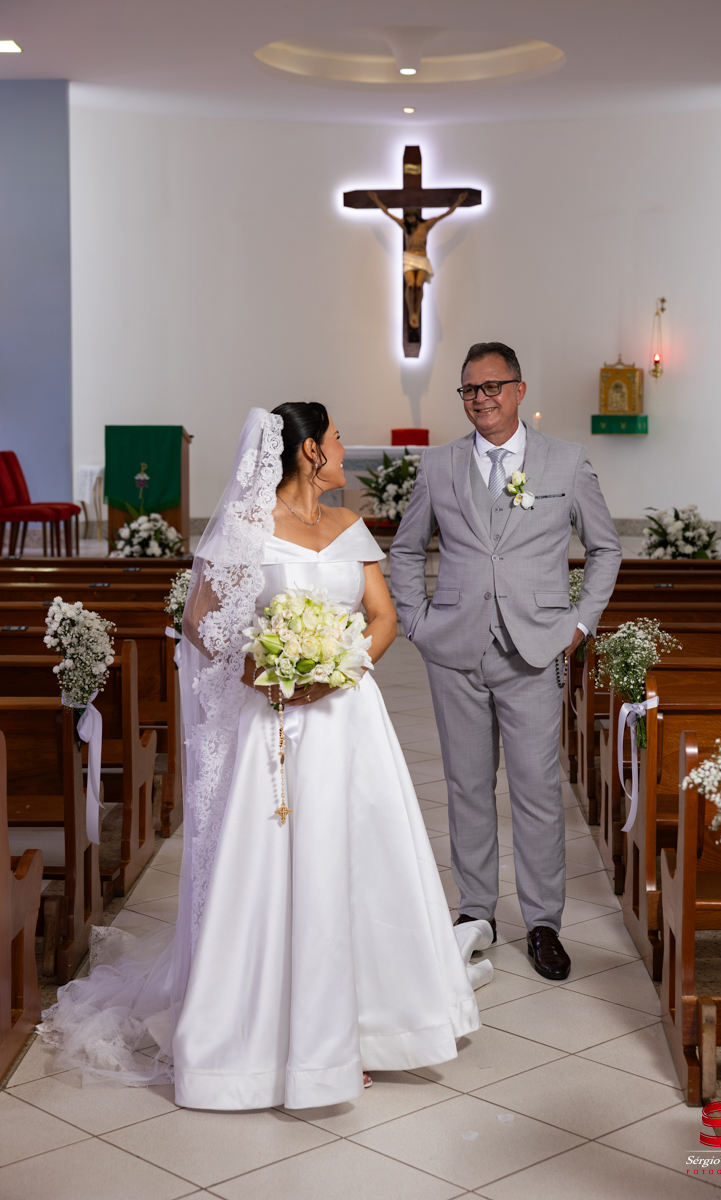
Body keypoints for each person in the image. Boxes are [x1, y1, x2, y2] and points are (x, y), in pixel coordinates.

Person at [38, 404, 493, 1111]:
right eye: (336, 438)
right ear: (309, 451)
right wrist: (260, 669)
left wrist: (340, 666)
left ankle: (374, 1027)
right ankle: (270, 1036)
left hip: (349, 718)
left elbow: (383, 619)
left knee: (362, 858)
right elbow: (200, 620)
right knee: (278, 864)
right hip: (275, 723)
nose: (343, 448)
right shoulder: (246, 529)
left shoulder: (349, 526)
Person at [390, 342, 622, 981]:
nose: (481, 398)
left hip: (535, 649)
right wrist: (417, 622)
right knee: (466, 785)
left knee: (536, 789)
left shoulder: (566, 462)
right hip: (455, 649)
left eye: (492, 386)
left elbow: (605, 548)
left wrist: (578, 623)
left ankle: (544, 922)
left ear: (519, 390)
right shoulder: (438, 465)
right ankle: (476, 913)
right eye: (470, 389)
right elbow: (404, 550)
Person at [367, 190, 468, 329]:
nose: (410, 220)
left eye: (411, 218)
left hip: (422, 258)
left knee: (419, 285)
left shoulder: (425, 225)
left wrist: (459, 201)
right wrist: (376, 200)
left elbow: (445, 214)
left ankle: (416, 312)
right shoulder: (404, 226)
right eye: (408, 219)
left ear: (415, 216)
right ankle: (411, 313)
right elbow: (387, 213)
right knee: (410, 285)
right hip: (409, 258)